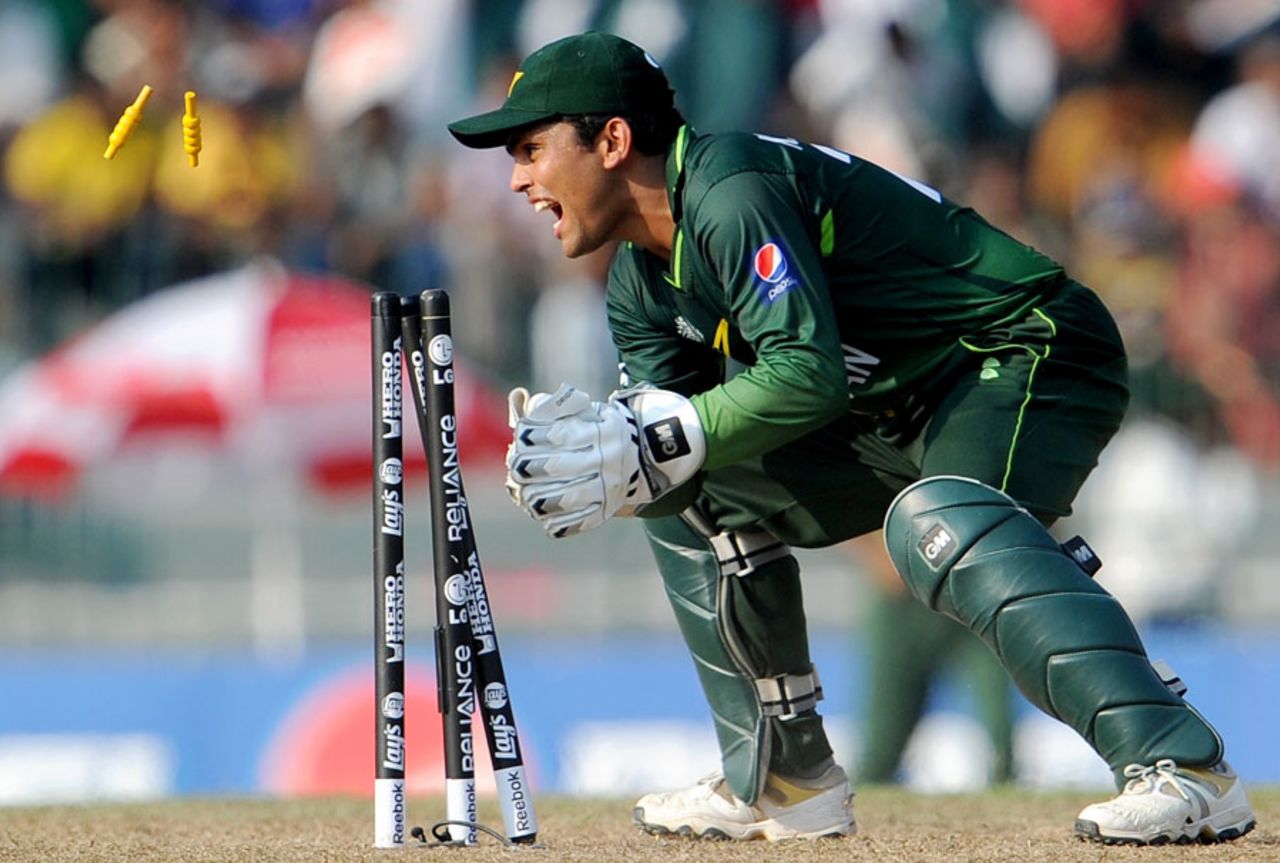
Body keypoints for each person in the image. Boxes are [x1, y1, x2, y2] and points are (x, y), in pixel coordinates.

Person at [447, 31, 1256, 845]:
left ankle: (1185, 766)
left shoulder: (729, 190)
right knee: (671, 486)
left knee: (942, 524)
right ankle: (782, 777)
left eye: (532, 149)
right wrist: (620, 459)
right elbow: (670, 438)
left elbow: (806, 374)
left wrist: (659, 435)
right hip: (887, 407)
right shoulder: (638, 283)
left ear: (613, 140)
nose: (517, 179)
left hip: (1024, 347)